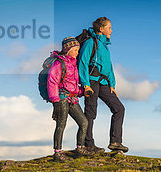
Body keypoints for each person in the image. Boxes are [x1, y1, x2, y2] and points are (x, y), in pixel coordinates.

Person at [78, 17, 129, 153]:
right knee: (91, 112)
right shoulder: (90, 43)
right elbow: (82, 63)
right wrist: (85, 84)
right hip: (91, 82)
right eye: (109, 27)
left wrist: (112, 84)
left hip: (105, 83)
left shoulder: (105, 47)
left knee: (119, 109)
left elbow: (109, 67)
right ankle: (88, 144)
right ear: (101, 29)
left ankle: (115, 142)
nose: (111, 30)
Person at [48, 37, 92, 161]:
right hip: (61, 98)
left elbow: (72, 86)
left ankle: (80, 148)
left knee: (84, 122)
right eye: (76, 50)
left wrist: (82, 92)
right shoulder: (59, 63)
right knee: (61, 124)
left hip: (73, 99)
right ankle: (58, 153)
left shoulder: (74, 65)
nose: (78, 52)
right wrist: (55, 101)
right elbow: (52, 81)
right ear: (68, 50)